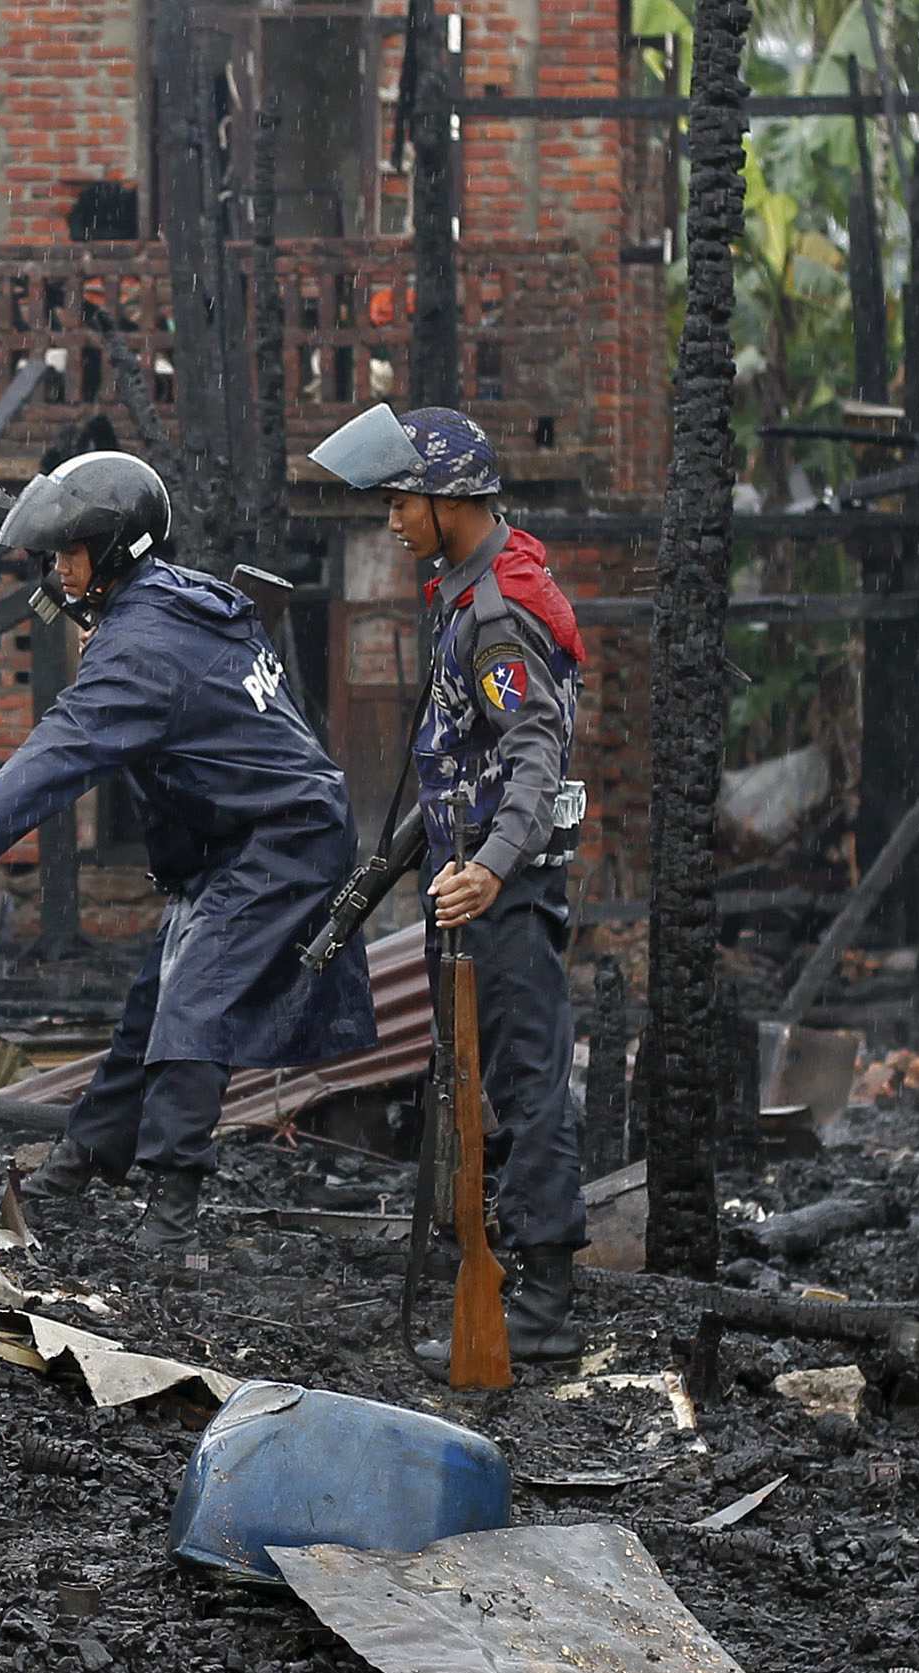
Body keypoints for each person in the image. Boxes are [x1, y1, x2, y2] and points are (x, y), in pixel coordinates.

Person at [0, 452, 375, 1251]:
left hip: (281, 836)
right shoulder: (172, 597)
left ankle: (172, 1216)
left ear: (116, 548)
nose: (58, 569)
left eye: (70, 551)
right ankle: (83, 1155)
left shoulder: (143, 642)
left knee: (194, 1011)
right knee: (149, 1010)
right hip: (246, 833)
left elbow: (68, 742)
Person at [309, 402, 587, 1366]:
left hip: (498, 890)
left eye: (400, 501)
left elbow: (536, 755)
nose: (390, 519)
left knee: (524, 1081)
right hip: (465, 878)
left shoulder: (498, 611)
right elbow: (455, 752)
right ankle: (500, 1266)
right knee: (473, 1082)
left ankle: (543, 1297)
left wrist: (489, 869)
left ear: (449, 499)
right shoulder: (463, 587)